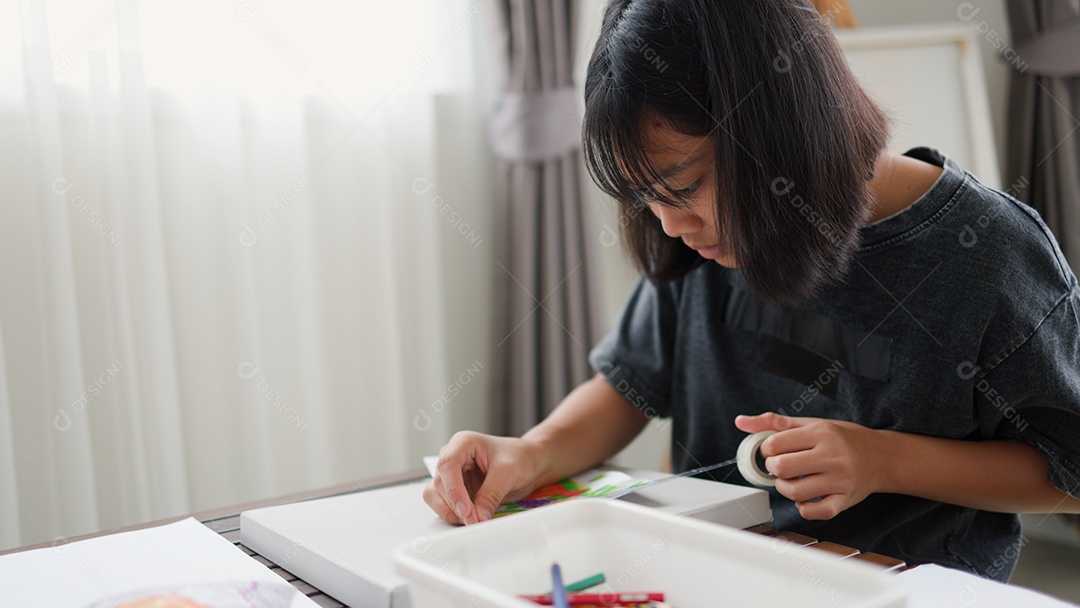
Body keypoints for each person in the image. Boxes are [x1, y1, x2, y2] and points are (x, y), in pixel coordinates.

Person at [424, 0, 1080, 581]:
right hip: (717, 577)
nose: (671, 227)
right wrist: (530, 451)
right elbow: (628, 384)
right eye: (646, 200)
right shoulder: (701, 242)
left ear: (779, 136)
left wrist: (884, 462)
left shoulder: (989, 256)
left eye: (682, 190)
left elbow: (1069, 478)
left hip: (897, 589)